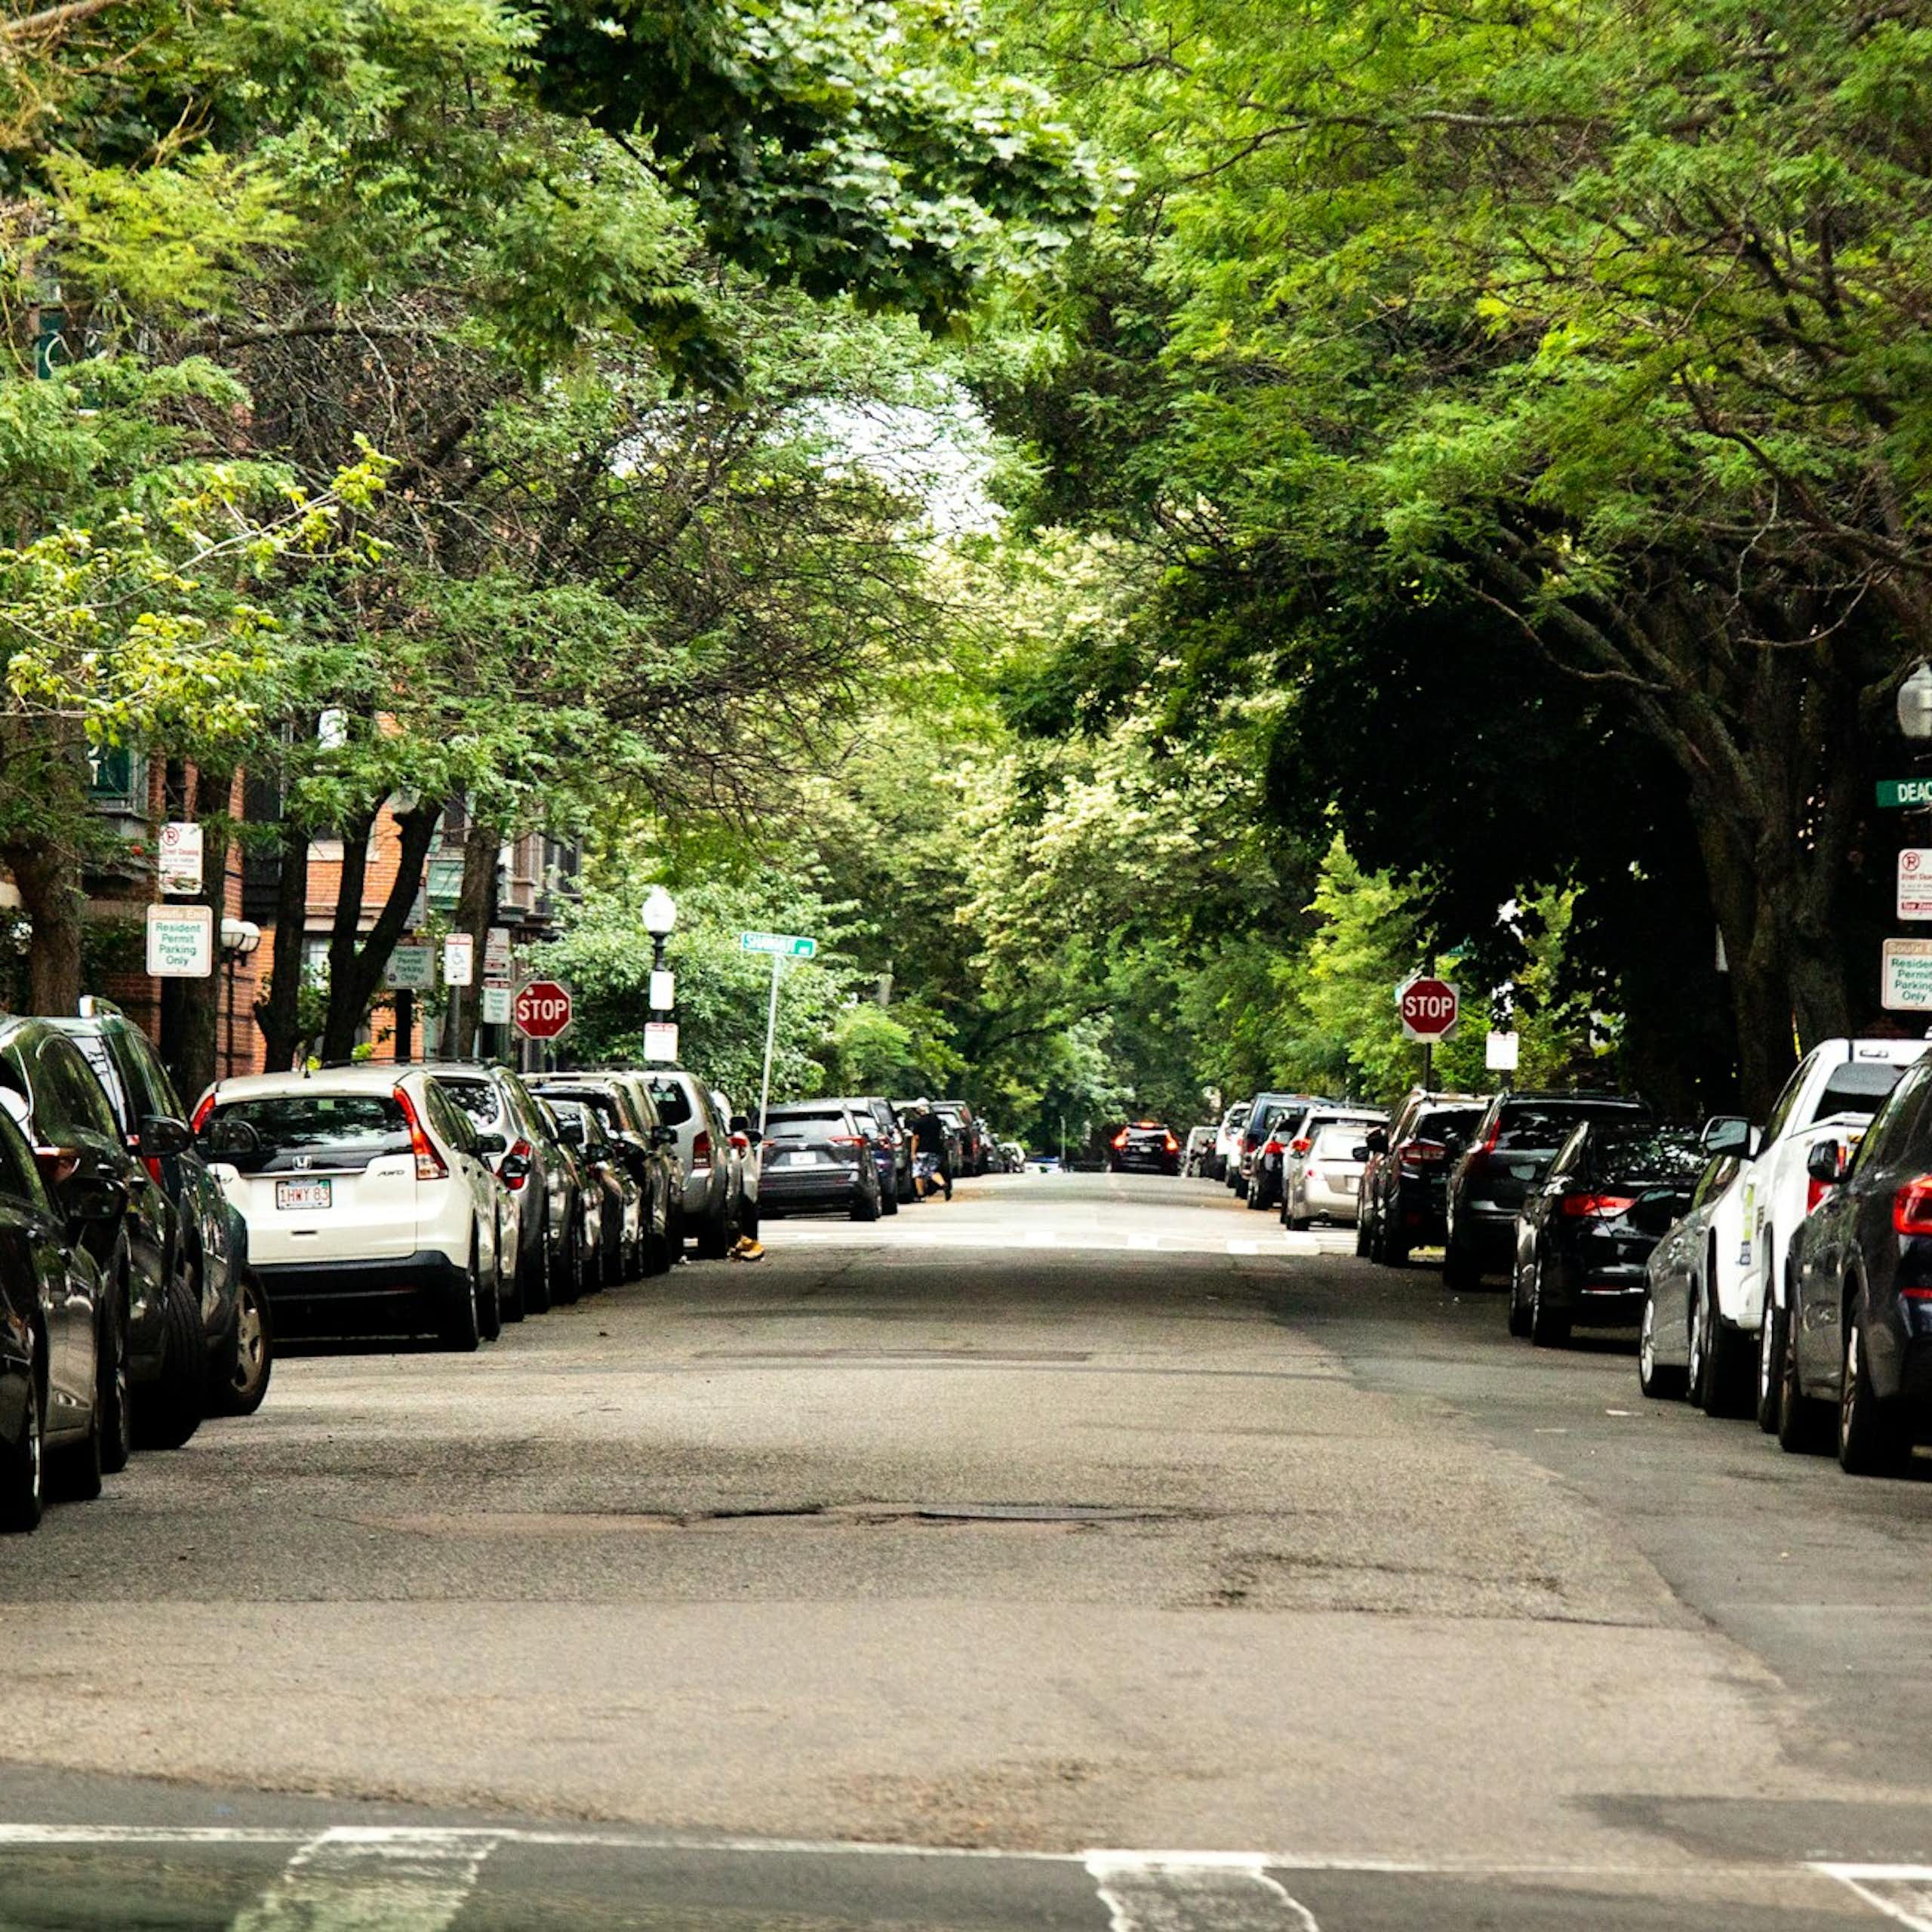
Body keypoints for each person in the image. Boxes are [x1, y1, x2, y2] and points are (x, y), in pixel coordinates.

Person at [909, 1099, 953, 1202]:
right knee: (932, 1171)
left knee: (918, 1173)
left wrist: (913, 1153)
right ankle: (943, 1184)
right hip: (935, 1150)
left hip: (922, 1151)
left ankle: (921, 1195)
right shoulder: (936, 1120)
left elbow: (916, 1138)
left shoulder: (918, 1122)